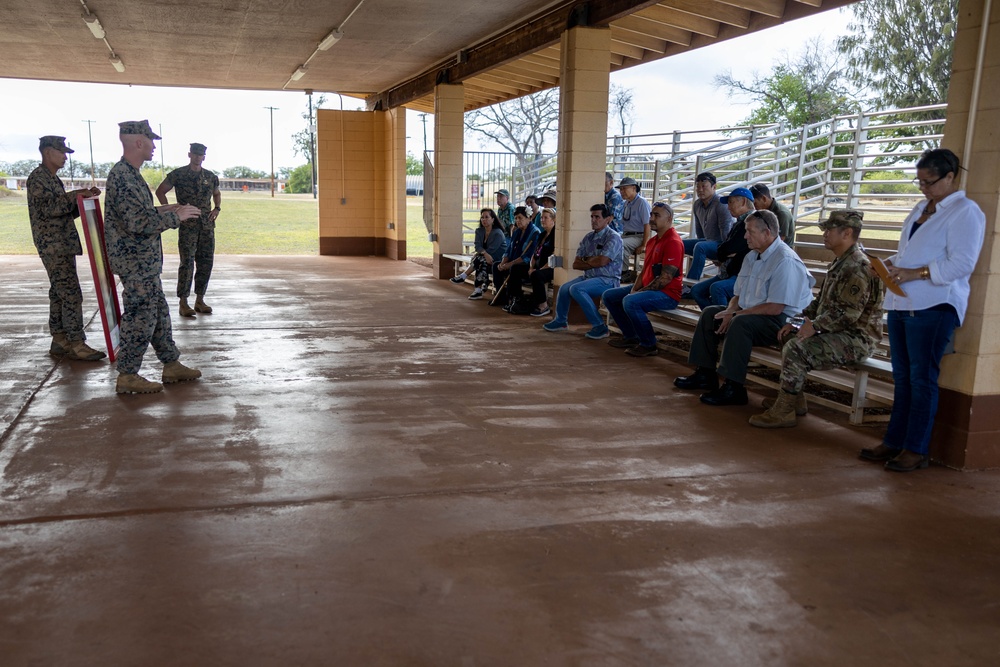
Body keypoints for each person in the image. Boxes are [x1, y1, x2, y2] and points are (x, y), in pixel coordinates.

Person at [859, 148, 986, 472]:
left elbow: (962, 263)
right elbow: (910, 252)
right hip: (903, 301)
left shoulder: (965, 212)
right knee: (903, 378)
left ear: (949, 177)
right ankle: (895, 440)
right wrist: (888, 265)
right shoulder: (920, 208)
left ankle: (916, 448)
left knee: (922, 378)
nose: (924, 188)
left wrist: (915, 274)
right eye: (920, 182)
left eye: (929, 182)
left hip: (935, 305)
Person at [749, 210, 883, 428]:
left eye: (830, 230)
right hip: (838, 330)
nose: (825, 234)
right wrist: (798, 321)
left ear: (847, 233)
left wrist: (815, 327)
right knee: (789, 334)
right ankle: (795, 401)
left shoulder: (857, 267)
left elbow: (849, 314)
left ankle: (784, 409)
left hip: (857, 338)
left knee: (796, 348)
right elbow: (820, 303)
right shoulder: (841, 263)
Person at [674, 209, 814, 406]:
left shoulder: (785, 260)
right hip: (755, 314)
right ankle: (705, 373)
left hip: (784, 321)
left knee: (740, 323)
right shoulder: (751, 256)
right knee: (710, 314)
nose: (745, 236)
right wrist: (730, 310)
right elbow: (738, 295)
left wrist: (736, 314)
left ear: (767, 233)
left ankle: (734, 387)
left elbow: (775, 307)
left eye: (750, 231)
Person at [104, 120, 203, 394]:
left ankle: (171, 364)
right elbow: (136, 222)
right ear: (139, 142)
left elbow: (140, 214)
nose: (154, 147)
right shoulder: (123, 176)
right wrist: (175, 217)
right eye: (151, 141)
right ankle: (127, 374)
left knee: (159, 312)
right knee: (141, 316)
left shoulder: (132, 174)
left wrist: (165, 209)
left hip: (144, 263)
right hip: (135, 263)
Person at [26, 135, 106, 361]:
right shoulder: (38, 178)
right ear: (47, 152)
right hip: (53, 246)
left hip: (61, 243)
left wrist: (82, 202)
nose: (64, 157)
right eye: (61, 153)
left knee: (59, 293)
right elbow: (49, 208)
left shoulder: (52, 179)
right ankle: (76, 342)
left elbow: (64, 211)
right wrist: (74, 195)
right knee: (71, 294)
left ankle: (59, 338)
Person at [603, 202, 684, 357]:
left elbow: (666, 279)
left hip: (667, 294)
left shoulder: (673, 241)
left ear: (669, 219)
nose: (652, 218)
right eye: (651, 215)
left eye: (657, 215)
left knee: (630, 301)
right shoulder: (653, 241)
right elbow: (645, 270)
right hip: (649, 288)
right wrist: (635, 289)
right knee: (609, 296)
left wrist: (637, 293)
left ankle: (648, 344)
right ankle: (631, 336)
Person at [155, 142, 221, 317]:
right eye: (195, 154)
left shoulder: (210, 176)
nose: (198, 157)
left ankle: (200, 300)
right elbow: (160, 191)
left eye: (201, 155)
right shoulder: (178, 174)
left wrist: (217, 208)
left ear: (204, 157)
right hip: (188, 225)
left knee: (206, 262)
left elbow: (216, 193)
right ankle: (183, 302)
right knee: (187, 263)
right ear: (189, 154)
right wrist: (172, 210)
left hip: (206, 225)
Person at [542, 204, 623, 339]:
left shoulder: (613, 237)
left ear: (608, 219)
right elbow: (576, 264)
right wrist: (593, 260)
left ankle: (599, 326)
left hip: (608, 279)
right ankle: (561, 321)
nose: (593, 220)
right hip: (589, 277)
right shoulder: (588, 238)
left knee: (576, 289)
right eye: (592, 217)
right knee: (563, 288)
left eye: (597, 217)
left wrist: (587, 260)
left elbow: (602, 261)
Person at [689, 187, 754, 310]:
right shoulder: (738, 222)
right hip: (728, 271)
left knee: (718, 288)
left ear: (743, 202)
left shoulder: (751, 222)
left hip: (741, 274)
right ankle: (713, 319)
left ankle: (723, 323)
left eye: (731, 202)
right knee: (697, 290)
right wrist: (726, 252)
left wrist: (727, 252)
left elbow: (731, 247)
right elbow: (725, 248)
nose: (728, 207)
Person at [684, 171, 734, 281]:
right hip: (707, 241)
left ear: (714, 187)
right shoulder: (697, 204)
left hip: (722, 244)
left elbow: (726, 235)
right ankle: (673, 279)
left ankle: (690, 284)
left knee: (701, 246)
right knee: (678, 243)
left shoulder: (721, 204)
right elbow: (700, 233)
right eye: (698, 187)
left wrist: (722, 256)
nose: (700, 190)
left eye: (704, 186)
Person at [451, 208, 508, 300]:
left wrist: (481, 253)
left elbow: (492, 250)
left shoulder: (498, 233)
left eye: (487, 217)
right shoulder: (479, 231)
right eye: (482, 217)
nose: (484, 220)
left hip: (497, 261)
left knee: (479, 260)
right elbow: (477, 246)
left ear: (493, 219)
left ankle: (466, 278)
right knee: (481, 262)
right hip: (485, 260)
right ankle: (478, 290)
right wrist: (483, 253)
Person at [510, 206, 556, 316]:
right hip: (538, 266)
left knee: (537, 275)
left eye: (546, 218)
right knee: (515, 268)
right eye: (541, 218)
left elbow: (554, 256)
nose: (542, 220)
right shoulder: (542, 235)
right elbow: (534, 254)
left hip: (550, 267)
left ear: (553, 220)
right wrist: (531, 267)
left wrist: (539, 269)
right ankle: (517, 298)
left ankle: (543, 306)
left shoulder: (556, 235)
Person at [491, 207, 539, 308]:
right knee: (496, 266)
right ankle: (501, 296)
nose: (517, 221)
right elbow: (509, 250)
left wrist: (510, 264)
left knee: (515, 269)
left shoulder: (535, 233)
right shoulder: (517, 232)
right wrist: (503, 263)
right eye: (516, 218)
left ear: (529, 218)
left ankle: (515, 298)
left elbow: (527, 257)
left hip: (526, 265)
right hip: (512, 263)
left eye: (520, 218)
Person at [616, 177, 651, 279]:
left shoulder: (642, 202)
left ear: (634, 188)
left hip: (638, 236)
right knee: (611, 239)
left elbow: (647, 224)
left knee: (621, 244)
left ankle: (624, 272)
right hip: (626, 234)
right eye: (621, 189)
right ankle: (613, 270)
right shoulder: (627, 203)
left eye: (624, 189)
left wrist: (644, 244)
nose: (622, 192)